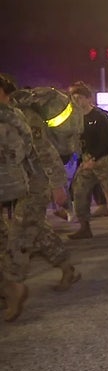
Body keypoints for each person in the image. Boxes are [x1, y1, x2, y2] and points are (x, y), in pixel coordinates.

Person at [2, 75, 81, 305]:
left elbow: (44, 151)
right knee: (34, 230)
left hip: (36, 183)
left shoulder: (24, 116)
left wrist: (58, 185)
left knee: (21, 233)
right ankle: (67, 267)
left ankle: (13, 288)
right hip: (16, 183)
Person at [67, 82, 108, 239]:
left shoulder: (99, 117)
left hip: (105, 161)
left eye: (79, 97)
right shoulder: (76, 118)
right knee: (79, 191)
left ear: (88, 98)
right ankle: (85, 227)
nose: (76, 100)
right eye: (73, 97)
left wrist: (94, 159)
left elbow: (106, 142)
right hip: (87, 161)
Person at [1, 75, 35, 321]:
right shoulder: (14, 117)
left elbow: (19, 152)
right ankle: (11, 289)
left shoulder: (7, 119)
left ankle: (12, 289)